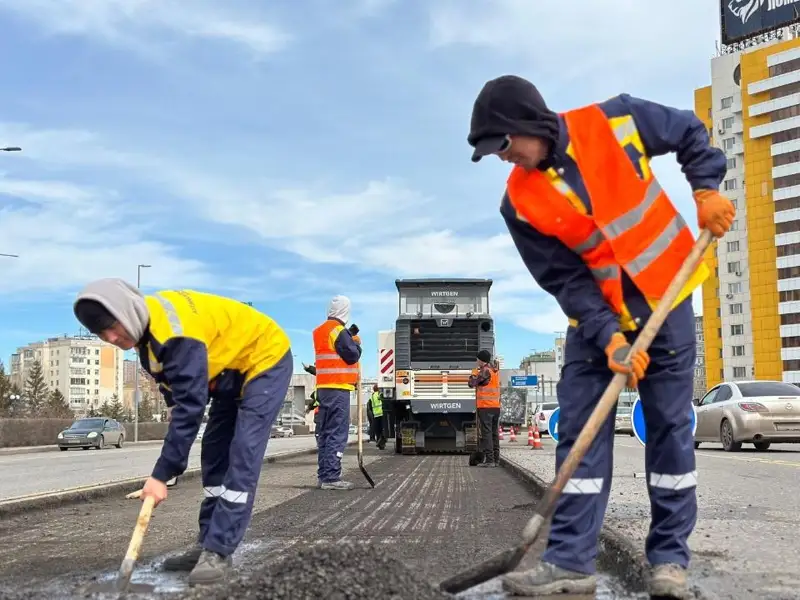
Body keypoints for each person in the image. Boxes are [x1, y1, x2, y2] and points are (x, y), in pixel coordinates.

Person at [467, 75, 732, 599]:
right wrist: (609, 337)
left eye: (502, 144)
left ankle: (669, 562)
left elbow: (688, 131)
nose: (501, 158)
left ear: (527, 124)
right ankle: (569, 562)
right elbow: (564, 278)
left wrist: (705, 188)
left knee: (669, 433)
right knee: (579, 438)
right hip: (594, 324)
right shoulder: (518, 203)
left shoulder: (613, 122)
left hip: (666, 301)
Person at [73, 279, 293, 586]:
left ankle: (218, 551)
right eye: (100, 334)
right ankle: (206, 541)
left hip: (264, 359)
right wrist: (169, 457)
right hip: (229, 371)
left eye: (112, 325)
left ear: (128, 310)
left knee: (243, 452)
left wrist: (161, 475)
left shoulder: (174, 335)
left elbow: (191, 408)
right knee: (214, 451)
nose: (110, 337)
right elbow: (177, 400)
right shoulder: (147, 346)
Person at [313, 295, 362, 490]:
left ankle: (324, 475)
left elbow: (333, 352)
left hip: (323, 388)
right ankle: (332, 478)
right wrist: (356, 342)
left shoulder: (320, 331)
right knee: (336, 433)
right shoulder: (338, 331)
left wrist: (348, 338)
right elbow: (352, 355)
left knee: (325, 432)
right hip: (338, 388)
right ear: (345, 311)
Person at [469, 350, 501, 467]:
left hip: (486, 407)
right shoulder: (494, 370)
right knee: (494, 433)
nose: (477, 361)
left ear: (482, 360)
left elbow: (472, 383)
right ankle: (496, 459)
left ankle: (490, 460)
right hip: (495, 407)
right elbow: (484, 384)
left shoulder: (485, 371)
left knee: (486, 434)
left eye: (478, 359)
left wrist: (472, 375)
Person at [369, 384, 387, 450]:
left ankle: (379, 442)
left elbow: (370, 407)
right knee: (383, 429)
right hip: (382, 414)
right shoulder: (380, 394)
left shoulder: (372, 396)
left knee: (377, 430)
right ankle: (382, 440)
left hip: (376, 415)